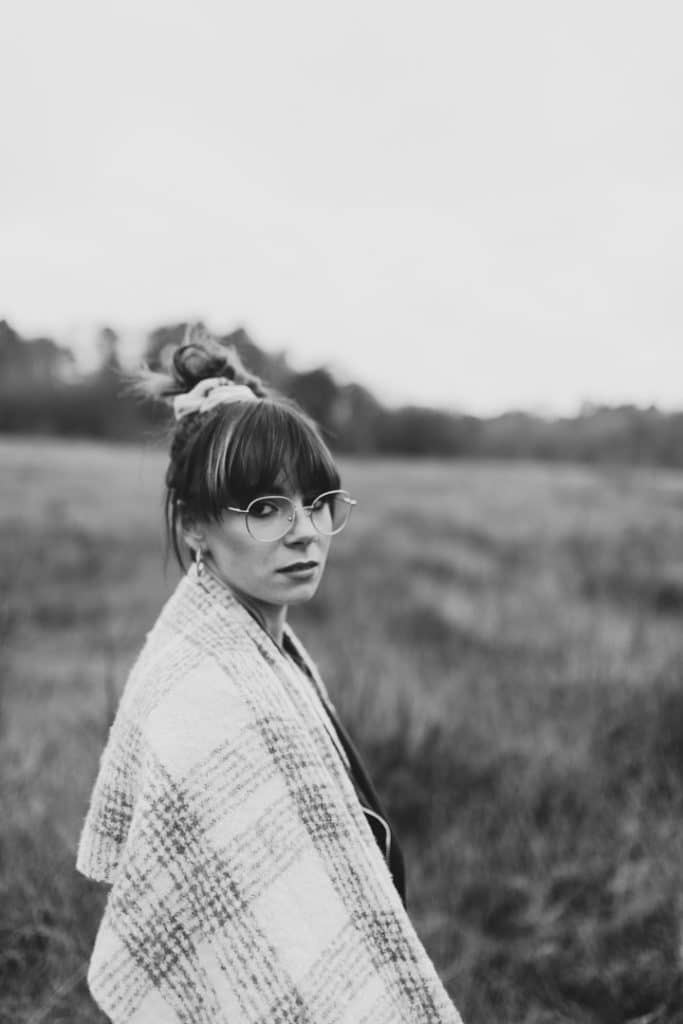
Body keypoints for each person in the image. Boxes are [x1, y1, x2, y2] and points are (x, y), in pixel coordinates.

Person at [76, 326, 463, 1023]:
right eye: (264, 509)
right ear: (195, 525)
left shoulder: (266, 648)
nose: (305, 531)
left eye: (317, 503)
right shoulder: (205, 695)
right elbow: (245, 952)